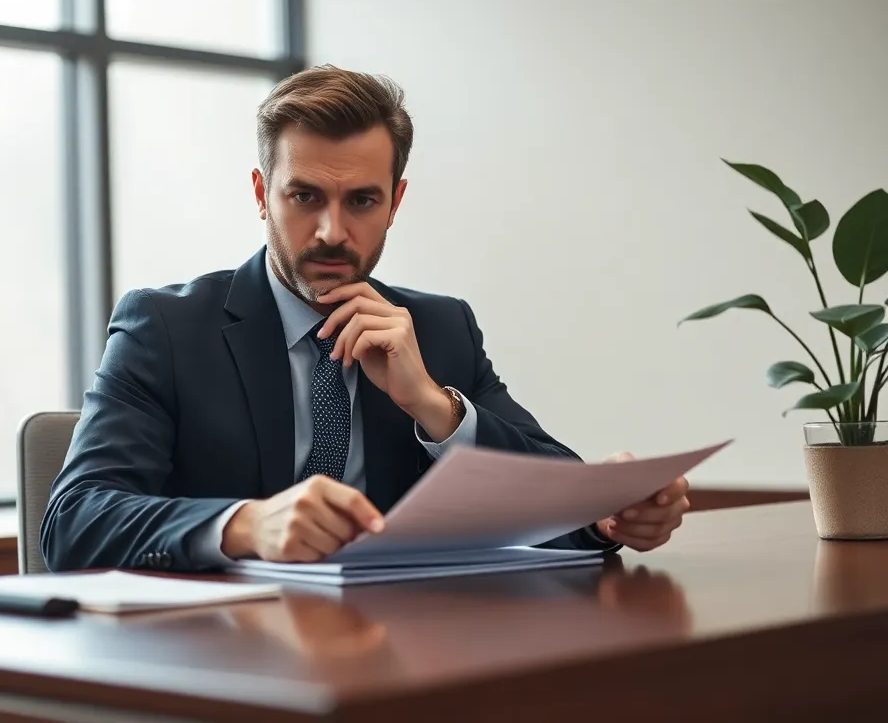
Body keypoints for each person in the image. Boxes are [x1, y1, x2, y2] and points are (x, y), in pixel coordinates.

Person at [40, 65, 689, 573]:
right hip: (223, 662)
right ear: (263, 194)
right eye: (305, 196)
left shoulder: (439, 329)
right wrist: (247, 526)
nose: (332, 231)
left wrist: (436, 407)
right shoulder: (166, 329)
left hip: (396, 662)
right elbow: (75, 521)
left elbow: (557, 502)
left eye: (362, 201)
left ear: (395, 202)